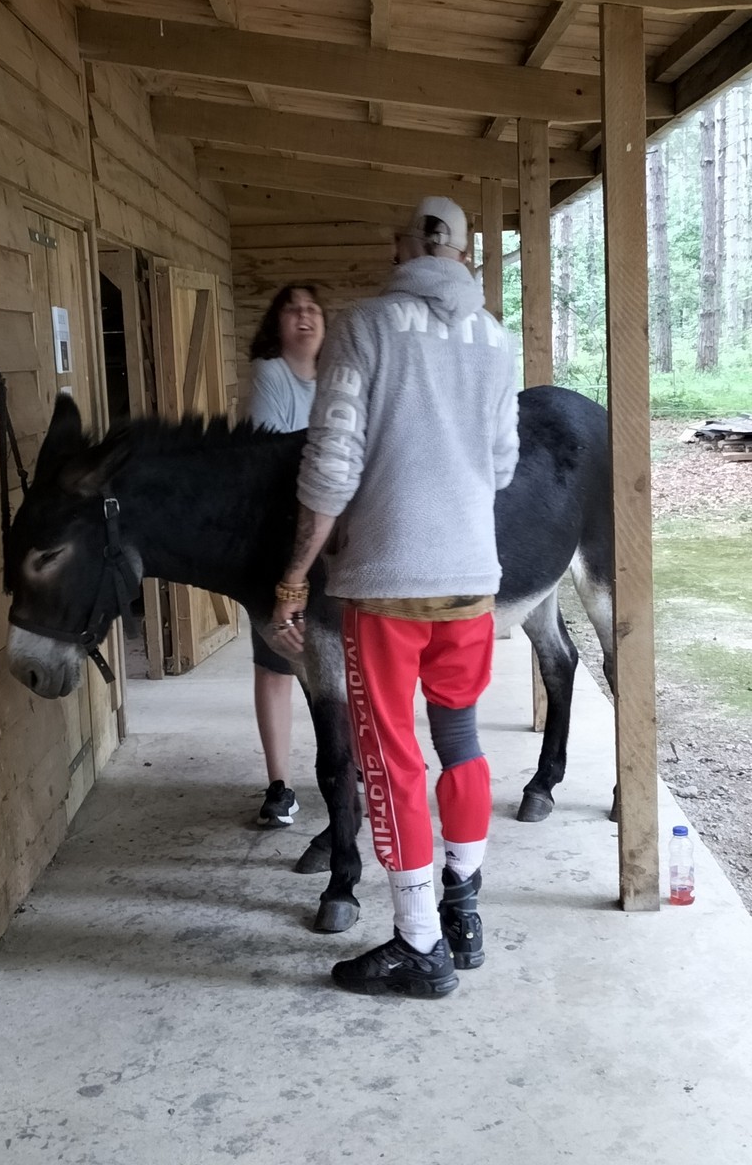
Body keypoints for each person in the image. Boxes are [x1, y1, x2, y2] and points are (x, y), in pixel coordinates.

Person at [270, 198, 520, 998]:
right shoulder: (496, 337)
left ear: (400, 246)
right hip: (472, 582)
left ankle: (419, 945)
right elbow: (505, 464)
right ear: (464, 251)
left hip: (388, 584)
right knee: (461, 739)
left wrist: (296, 573)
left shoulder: (364, 326)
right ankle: (463, 908)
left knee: (391, 758)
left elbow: (332, 465)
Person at [247, 284, 326, 828]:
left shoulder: (337, 381)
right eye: (293, 308)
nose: (304, 316)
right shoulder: (269, 376)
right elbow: (272, 457)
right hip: (280, 536)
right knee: (276, 664)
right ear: (277, 323)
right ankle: (279, 785)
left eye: (313, 309)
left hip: (334, 539)